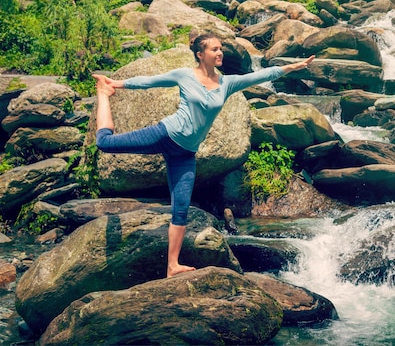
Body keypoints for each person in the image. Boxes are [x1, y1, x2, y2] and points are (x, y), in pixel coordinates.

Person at [92, 33, 314, 278]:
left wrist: (290, 67)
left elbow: (258, 76)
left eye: (221, 49)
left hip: (186, 153)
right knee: (105, 143)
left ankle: (172, 265)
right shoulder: (184, 75)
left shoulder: (226, 83)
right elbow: (150, 81)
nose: (220, 53)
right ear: (200, 54)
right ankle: (103, 95)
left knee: (181, 208)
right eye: (214, 49)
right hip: (165, 134)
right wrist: (115, 84)